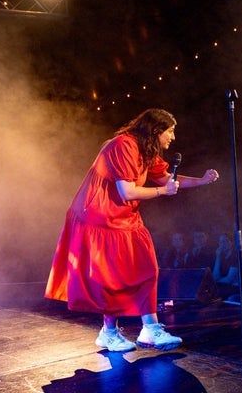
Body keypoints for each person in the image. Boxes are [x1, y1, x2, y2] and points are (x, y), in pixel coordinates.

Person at [45, 108, 220, 352]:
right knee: (111, 278)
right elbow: (127, 191)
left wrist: (201, 181)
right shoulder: (123, 145)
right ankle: (108, 332)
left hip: (126, 218)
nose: (173, 137)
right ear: (156, 130)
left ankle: (150, 328)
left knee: (147, 267)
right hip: (100, 218)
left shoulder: (146, 150)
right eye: (170, 131)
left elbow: (165, 178)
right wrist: (162, 192)